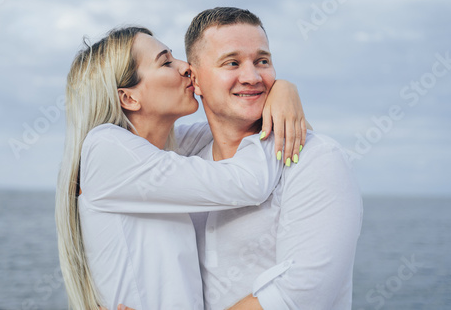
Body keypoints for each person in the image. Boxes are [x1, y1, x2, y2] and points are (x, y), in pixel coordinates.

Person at [55, 26, 309, 310]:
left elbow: (232, 125)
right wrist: (277, 105)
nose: (186, 68)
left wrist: (281, 89)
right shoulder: (107, 148)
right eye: (166, 62)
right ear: (128, 98)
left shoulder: (161, 150)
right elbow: (249, 182)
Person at [184, 7, 364, 309]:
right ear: (195, 79)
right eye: (232, 62)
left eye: (262, 61)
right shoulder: (186, 158)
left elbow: (299, 297)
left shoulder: (317, 159)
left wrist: (284, 87)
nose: (252, 77)